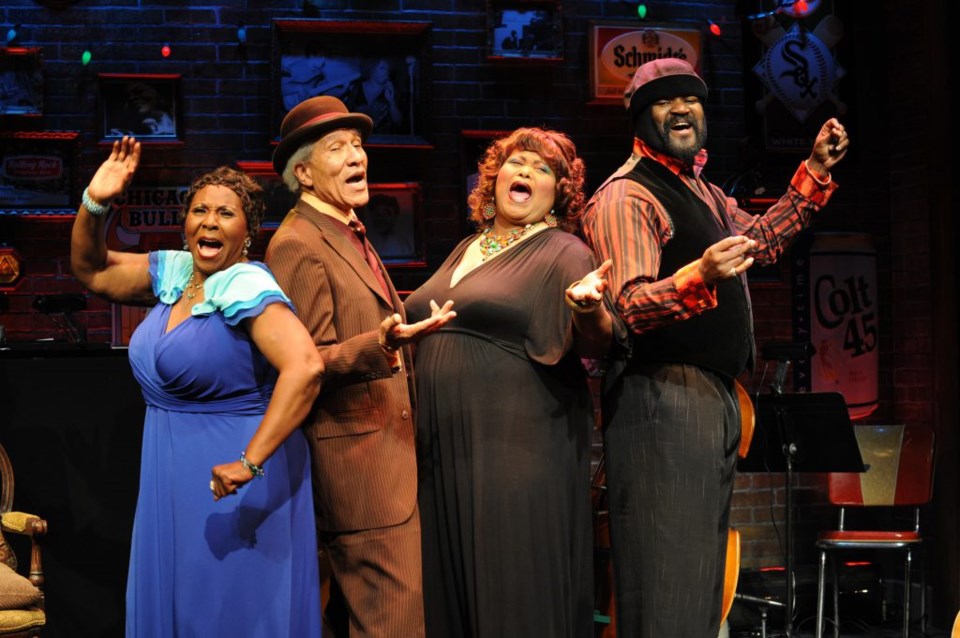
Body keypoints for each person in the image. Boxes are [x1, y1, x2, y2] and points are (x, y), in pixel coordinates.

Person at [580, 58, 850, 637]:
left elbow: (761, 243)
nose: (681, 110)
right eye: (663, 101)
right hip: (662, 398)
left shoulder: (700, 191)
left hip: (712, 397)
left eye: (692, 99)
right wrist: (696, 275)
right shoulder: (627, 195)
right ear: (638, 118)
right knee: (667, 579)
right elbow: (625, 307)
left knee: (701, 582)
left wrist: (813, 171)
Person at [70, 137, 324, 637]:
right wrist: (95, 203)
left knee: (225, 610)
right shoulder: (175, 274)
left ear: (247, 232)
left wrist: (250, 461)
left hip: (232, 477)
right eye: (199, 210)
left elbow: (306, 368)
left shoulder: (247, 284)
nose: (209, 221)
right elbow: (92, 269)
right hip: (170, 471)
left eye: (226, 213)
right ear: (185, 222)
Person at [404, 127, 617, 638]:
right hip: (445, 448)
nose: (525, 172)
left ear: (558, 194)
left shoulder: (565, 252)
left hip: (517, 447)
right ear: (493, 178)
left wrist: (589, 311)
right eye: (516, 163)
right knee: (451, 579)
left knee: (512, 578)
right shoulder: (467, 246)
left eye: (543, 169)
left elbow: (596, 344)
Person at [266, 95, 455, 638]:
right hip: (360, 469)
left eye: (358, 145)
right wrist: (382, 343)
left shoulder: (348, 231)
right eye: (337, 148)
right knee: (391, 624)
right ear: (303, 173)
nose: (357, 157)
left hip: (387, 464)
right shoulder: (298, 244)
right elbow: (305, 362)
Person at [347, 58, 404, 134]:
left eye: (387, 69)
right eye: (382, 68)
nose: (386, 72)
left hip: (384, 138)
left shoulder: (391, 90)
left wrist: (392, 103)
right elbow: (347, 115)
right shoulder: (357, 88)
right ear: (372, 69)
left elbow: (398, 122)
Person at [359, 193, 415, 260]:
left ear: (394, 217)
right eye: (377, 214)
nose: (381, 218)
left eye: (387, 214)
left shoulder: (402, 246)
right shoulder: (362, 242)